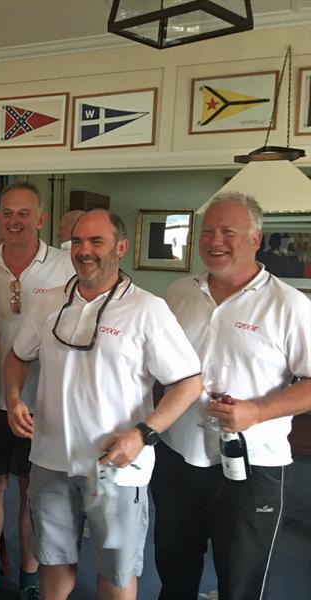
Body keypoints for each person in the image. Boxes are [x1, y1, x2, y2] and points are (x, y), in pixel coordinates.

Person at [6, 209, 202, 600]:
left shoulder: (147, 309)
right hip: (51, 459)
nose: (84, 251)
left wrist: (143, 434)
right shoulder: (49, 303)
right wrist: (13, 398)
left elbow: (188, 383)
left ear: (121, 248)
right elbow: (17, 356)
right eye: (77, 242)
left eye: (96, 241)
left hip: (115, 467)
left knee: (116, 572)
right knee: (53, 562)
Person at [153, 193, 311, 600]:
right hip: (178, 456)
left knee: (240, 581)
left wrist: (257, 411)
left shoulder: (289, 305)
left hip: (252, 466)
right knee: (174, 570)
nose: (215, 240)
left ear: (256, 239)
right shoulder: (177, 294)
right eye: (207, 232)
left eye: (228, 231)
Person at [0, 181, 74, 600]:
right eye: (7, 213)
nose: (14, 221)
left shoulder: (65, 265)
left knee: (34, 494)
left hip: (42, 402)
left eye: (24, 213)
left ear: (41, 219)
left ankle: (30, 577)